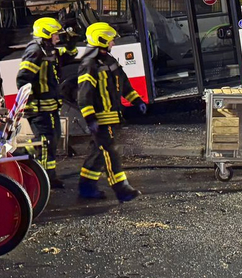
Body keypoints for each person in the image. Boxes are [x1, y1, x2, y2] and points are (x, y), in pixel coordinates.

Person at [69, 22, 146, 202]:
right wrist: (90, 119)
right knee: (110, 152)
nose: (113, 43)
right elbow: (84, 96)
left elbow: (124, 85)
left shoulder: (109, 61)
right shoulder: (89, 64)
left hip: (113, 116)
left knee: (98, 153)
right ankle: (122, 189)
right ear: (100, 39)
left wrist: (137, 101)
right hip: (101, 119)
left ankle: (86, 187)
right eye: (110, 40)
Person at [16, 16, 73, 188]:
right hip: (39, 108)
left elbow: (67, 58)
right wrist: (31, 102)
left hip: (50, 106)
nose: (58, 38)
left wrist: (71, 43)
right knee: (46, 141)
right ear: (46, 34)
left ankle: (26, 156)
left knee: (52, 139)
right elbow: (23, 78)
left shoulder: (48, 50)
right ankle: (45, 178)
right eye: (55, 34)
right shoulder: (35, 51)